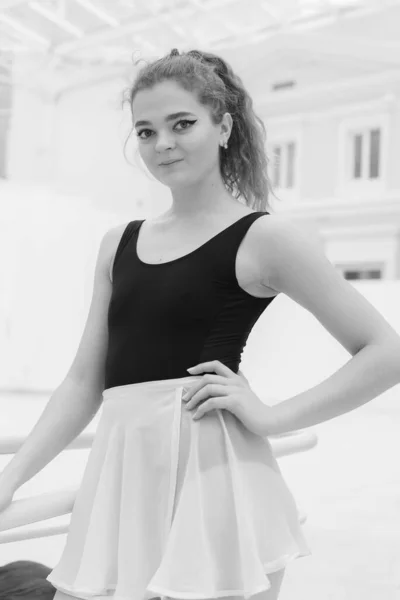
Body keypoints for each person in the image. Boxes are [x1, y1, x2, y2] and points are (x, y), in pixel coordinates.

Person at [1, 47, 400, 600]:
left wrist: (269, 418)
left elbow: (386, 352)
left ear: (224, 126)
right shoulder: (117, 244)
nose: (162, 143)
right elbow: (83, 382)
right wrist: (12, 475)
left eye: (182, 123)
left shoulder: (266, 239)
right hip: (122, 469)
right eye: (145, 131)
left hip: (212, 475)